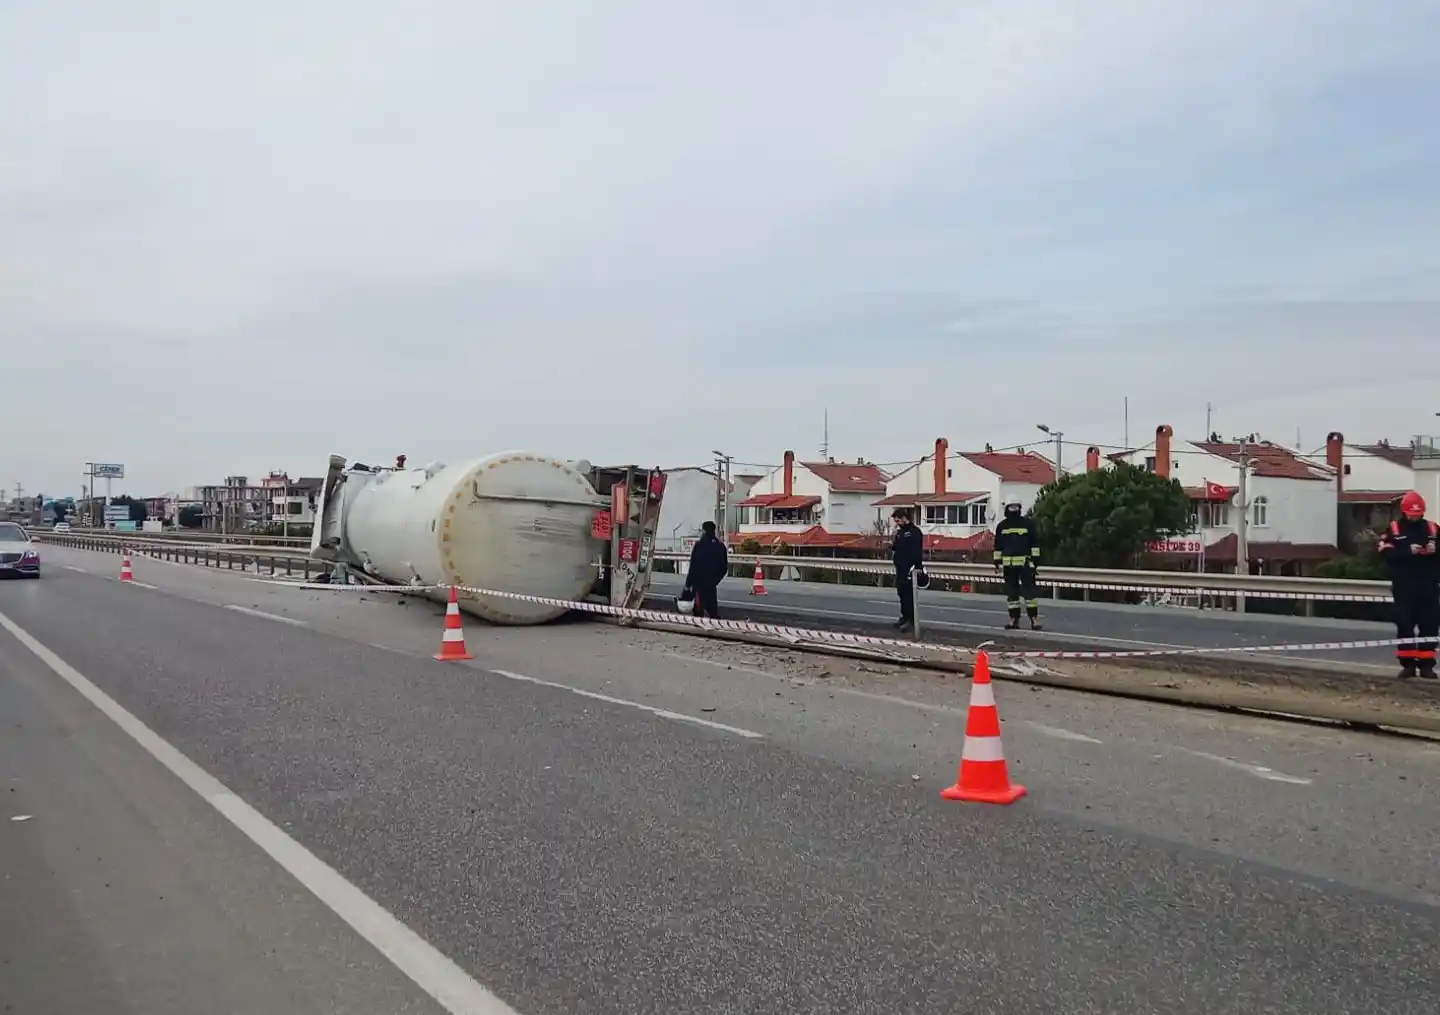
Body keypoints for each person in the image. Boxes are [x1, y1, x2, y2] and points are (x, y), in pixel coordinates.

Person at [1377, 491, 1438, 680]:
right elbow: (1384, 552)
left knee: (1430, 627)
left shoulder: (1433, 529)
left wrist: (1435, 551)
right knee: (1405, 625)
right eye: (1412, 513)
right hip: (1404, 587)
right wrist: (1407, 552)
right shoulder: (1394, 530)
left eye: (1418, 513)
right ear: (1404, 511)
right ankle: (1408, 665)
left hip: (1429, 586)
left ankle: (1427, 666)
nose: (1415, 516)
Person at [993, 500, 1042, 630]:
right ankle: (1014, 619)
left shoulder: (1028, 524)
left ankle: (1034, 619)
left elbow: (1034, 543)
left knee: (1029, 593)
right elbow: (998, 546)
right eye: (1012, 507)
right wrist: (997, 562)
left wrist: (1035, 561)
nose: (1013, 509)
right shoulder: (1001, 526)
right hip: (1009, 565)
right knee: (1012, 594)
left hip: (1025, 564)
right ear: (1008, 508)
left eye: (1015, 507)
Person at [684, 521, 729, 619]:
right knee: (712, 610)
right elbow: (724, 567)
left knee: (699, 612)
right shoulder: (720, 546)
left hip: (698, 584)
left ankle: (699, 631)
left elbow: (693, 567)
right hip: (712, 584)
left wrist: (688, 585)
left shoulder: (699, 546)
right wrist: (715, 580)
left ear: (704, 531)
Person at [890, 508, 924, 630]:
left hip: (910, 569)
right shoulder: (900, 532)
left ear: (904, 518)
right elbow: (896, 548)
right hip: (900, 567)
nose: (897, 523)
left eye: (898, 520)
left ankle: (911, 620)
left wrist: (916, 568)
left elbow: (916, 552)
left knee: (909, 594)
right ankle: (904, 616)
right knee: (902, 593)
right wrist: (893, 540)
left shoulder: (914, 532)